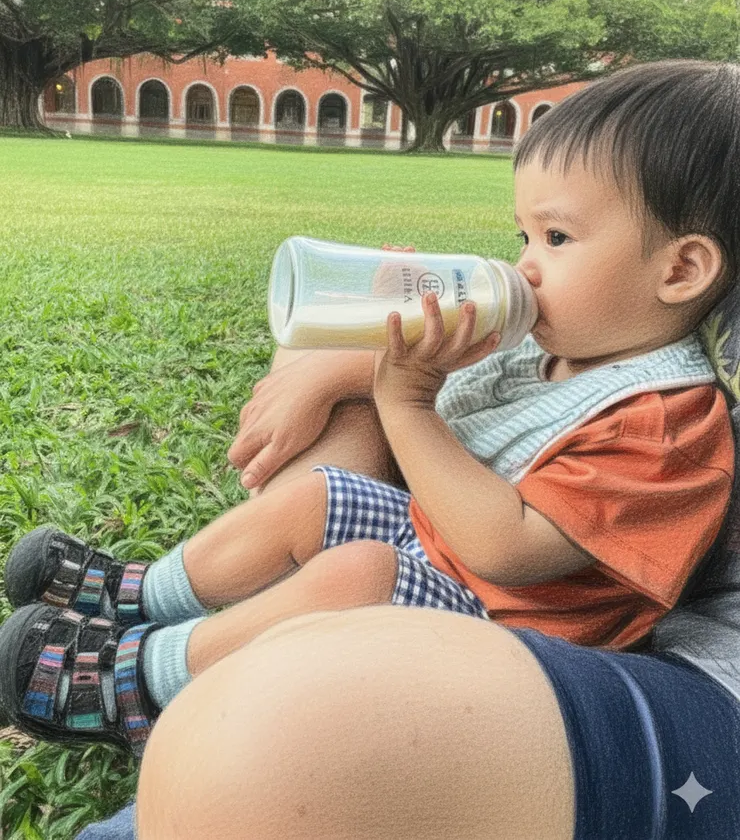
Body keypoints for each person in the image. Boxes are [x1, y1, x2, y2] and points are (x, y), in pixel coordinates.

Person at [1, 60, 739, 765]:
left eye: (556, 238)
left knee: (361, 571)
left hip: (510, 642)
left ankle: (138, 686)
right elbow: (432, 393)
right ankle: (138, 594)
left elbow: (504, 549)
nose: (523, 267)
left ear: (679, 270)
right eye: (523, 236)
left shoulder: (666, 424)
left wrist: (407, 404)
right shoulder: (559, 339)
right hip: (437, 553)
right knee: (318, 499)